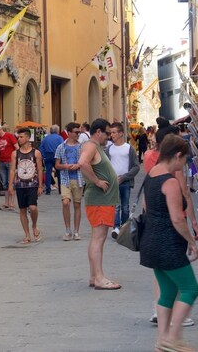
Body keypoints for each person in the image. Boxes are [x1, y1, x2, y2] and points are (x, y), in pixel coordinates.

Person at [141, 135, 198, 351]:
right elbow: (177, 218)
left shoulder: (150, 175)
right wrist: (191, 241)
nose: (183, 164)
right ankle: (173, 337)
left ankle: (161, 341)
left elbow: (147, 208)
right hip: (168, 244)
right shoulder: (170, 182)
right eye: (184, 160)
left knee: (167, 292)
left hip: (151, 242)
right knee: (190, 289)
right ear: (177, 155)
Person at [79, 118, 120, 291]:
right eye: (107, 133)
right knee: (99, 238)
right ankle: (99, 278)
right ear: (98, 132)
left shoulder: (95, 147)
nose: (109, 137)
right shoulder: (91, 146)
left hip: (102, 201)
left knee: (97, 237)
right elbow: (83, 163)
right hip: (99, 200)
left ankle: (94, 276)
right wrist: (97, 181)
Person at [9, 127, 44, 244]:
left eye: (21, 137)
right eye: (18, 137)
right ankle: (27, 234)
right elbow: (12, 170)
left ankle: (34, 225)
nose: (19, 139)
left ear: (28, 138)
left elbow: (40, 169)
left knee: (33, 207)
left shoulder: (36, 153)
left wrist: (40, 185)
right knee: (22, 209)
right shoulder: (15, 153)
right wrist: (10, 185)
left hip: (32, 184)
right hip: (20, 184)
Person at [108, 123, 140, 238]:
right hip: (114, 181)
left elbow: (136, 166)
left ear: (121, 133)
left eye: (114, 132)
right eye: (111, 133)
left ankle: (124, 227)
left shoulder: (128, 148)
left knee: (125, 206)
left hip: (125, 181)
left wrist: (124, 177)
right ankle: (116, 227)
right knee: (115, 206)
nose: (112, 135)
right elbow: (106, 165)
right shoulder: (109, 149)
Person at [57, 122, 85, 241]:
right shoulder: (61, 147)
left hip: (78, 178)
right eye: (76, 132)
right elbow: (57, 165)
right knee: (65, 203)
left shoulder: (82, 147)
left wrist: (78, 165)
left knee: (77, 204)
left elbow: (86, 162)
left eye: (79, 132)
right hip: (65, 178)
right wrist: (66, 166)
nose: (78, 134)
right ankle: (68, 230)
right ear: (69, 133)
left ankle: (76, 231)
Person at [0, 124, 19, 210]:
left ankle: (11, 203)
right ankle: (6, 203)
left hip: (11, 161)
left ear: (0, 130)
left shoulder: (10, 136)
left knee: (11, 182)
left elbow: (17, 148)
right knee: (4, 183)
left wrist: (17, 160)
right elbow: (0, 152)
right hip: (2, 162)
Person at [38, 125, 64, 195]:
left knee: (48, 173)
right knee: (59, 174)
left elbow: (41, 148)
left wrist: (44, 156)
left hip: (48, 156)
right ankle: (61, 190)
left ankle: (48, 190)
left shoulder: (46, 138)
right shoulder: (59, 138)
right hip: (57, 157)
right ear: (57, 130)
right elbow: (62, 147)